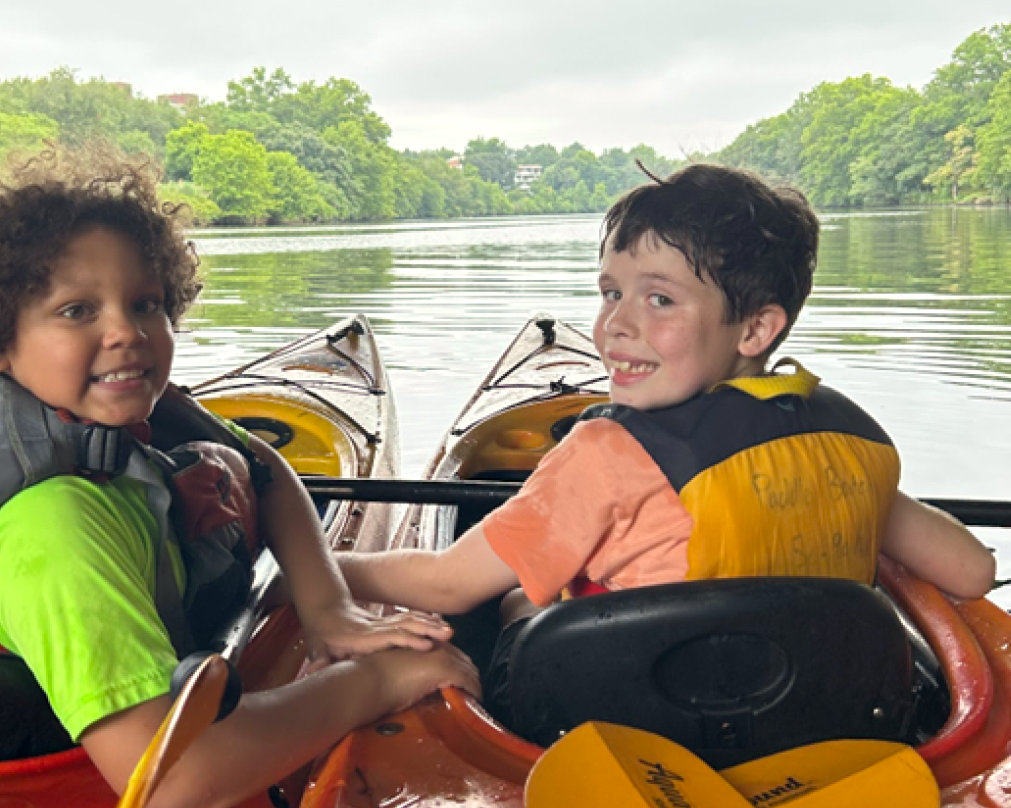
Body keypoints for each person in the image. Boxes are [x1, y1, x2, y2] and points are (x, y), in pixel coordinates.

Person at [0, 151, 478, 808]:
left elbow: (262, 467)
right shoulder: (51, 535)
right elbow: (173, 782)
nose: (127, 332)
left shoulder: (98, 411)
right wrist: (377, 680)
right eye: (76, 310)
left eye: (147, 304)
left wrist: (327, 607)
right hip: (49, 780)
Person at [338, 164, 995, 721]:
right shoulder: (851, 444)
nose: (613, 326)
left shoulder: (604, 453)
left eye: (659, 300)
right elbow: (973, 571)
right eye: (610, 292)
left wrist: (312, 573)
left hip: (621, 716)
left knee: (517, 598)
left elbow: (448, 585)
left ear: (755, 329)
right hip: (809, 713)